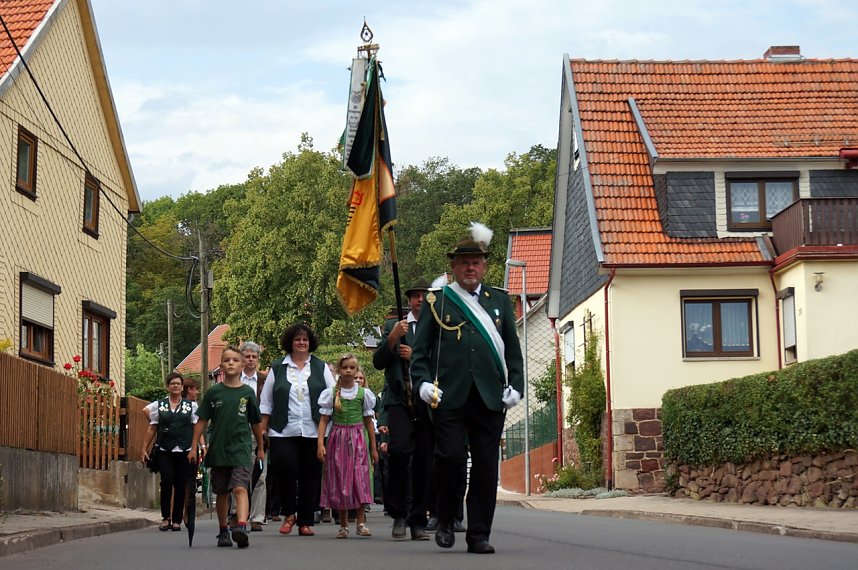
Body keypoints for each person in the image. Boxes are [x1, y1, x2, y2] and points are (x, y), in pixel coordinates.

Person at [411, 223, 524, 555]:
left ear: (484, 265)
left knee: (486, 468)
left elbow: (513, 353)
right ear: (454, 267)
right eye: (464, 263)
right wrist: (421, 385)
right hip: (449, 397)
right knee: (450, 458)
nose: (470, 267)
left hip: (490, 397)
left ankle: (479, 534)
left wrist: (515, 386)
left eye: (476, 262)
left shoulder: (500, 302)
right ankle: (445, 518)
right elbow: (420, 353)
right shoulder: (438, 302)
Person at [372, 278, 434, 541]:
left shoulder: (437, 325)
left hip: (426, 399)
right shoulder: (393, 326)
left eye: (424, 295)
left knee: (423, 460)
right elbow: (378, 362)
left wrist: (416, 356)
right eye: (415, 295)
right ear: (408, 300)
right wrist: (393, 339)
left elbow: (443, 361)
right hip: (399, 400)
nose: (420, 299)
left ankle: (418, 518)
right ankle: (398, 513)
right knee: (399, 453)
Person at [259, 323, 335, 537]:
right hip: (283, 430)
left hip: (314, 430)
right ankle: (289, 514)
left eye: (305, 339)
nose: (301, 343)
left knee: (310, 475)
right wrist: (262, 431)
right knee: (286, 469)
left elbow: (332, 398)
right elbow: (266, 403)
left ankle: (305, 520)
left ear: (310, 343)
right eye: (297, 339)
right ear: (290, 343)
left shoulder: (321, 368)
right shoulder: (277, 367)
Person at [189, 346, 265, 549]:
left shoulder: (247, 393)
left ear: (242, 365)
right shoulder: (214, 392)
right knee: (221, 492)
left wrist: (260, 447)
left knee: (240, 487)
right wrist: (193, 445)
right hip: (219, 449)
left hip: (241, 447)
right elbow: (202, 420)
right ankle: (223, 530)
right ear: (221, 365)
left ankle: (240, 526)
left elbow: (256, 422)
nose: (231, 363)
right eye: (227, 360)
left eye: (235, 360)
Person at [317, 354, 378, 539]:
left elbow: (369, 422)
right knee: (341, 478)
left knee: (359, 478)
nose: (349, 371)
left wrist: (373, 448)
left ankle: (361, 522)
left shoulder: (364, 394)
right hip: (338, 438)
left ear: (357, 370)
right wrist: (320, 443)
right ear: (338, 370)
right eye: (345, 368)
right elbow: (323, 420)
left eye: (352, 367)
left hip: (359, 438)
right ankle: (343, 525)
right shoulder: (331, 393)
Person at [141, 372, 197, 532]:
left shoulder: (190, 406)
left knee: (181, 483)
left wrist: (199, 446)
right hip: (165, 449)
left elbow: (195, 427)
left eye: (178, 384)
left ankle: (177, 520)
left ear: (181, 387)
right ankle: (166, 517)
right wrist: (144, 448)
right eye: (172, 383)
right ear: (168, 386)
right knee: (167, 479)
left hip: (184, 449)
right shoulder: (160, 405)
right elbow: (152, 427)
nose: (175, 386)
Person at [238, 341, 268, 532]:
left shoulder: (265, 381)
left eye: (254, 357)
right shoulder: (233, 380)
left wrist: (265, 432)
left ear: (258, 359)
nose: (250, 360)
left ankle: (257, 517)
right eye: (247, 356)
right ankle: (236, 513)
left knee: (260, 475)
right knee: (238, 474)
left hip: (260, 432)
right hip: (239, 431)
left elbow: (270, 407)